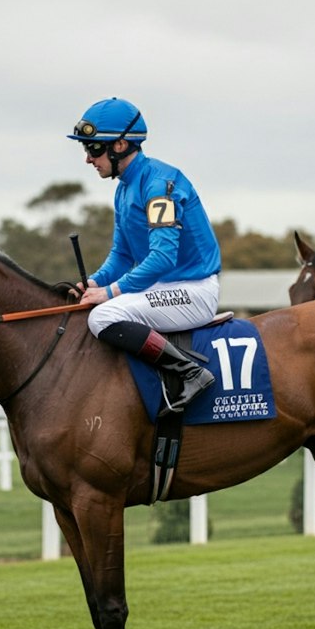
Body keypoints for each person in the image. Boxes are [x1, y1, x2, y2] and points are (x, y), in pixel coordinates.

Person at [66, 97, 222, 413]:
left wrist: (108, 294)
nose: (88, 158)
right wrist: (93, 283)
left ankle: (191, 372)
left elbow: (162, 258)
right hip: (163, 290)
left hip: (194, 292)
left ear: (121, 145)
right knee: (94, 308)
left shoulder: (159, 185)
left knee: (103, 315)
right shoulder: (124, 188)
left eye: (94, 148)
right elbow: (122, 255)